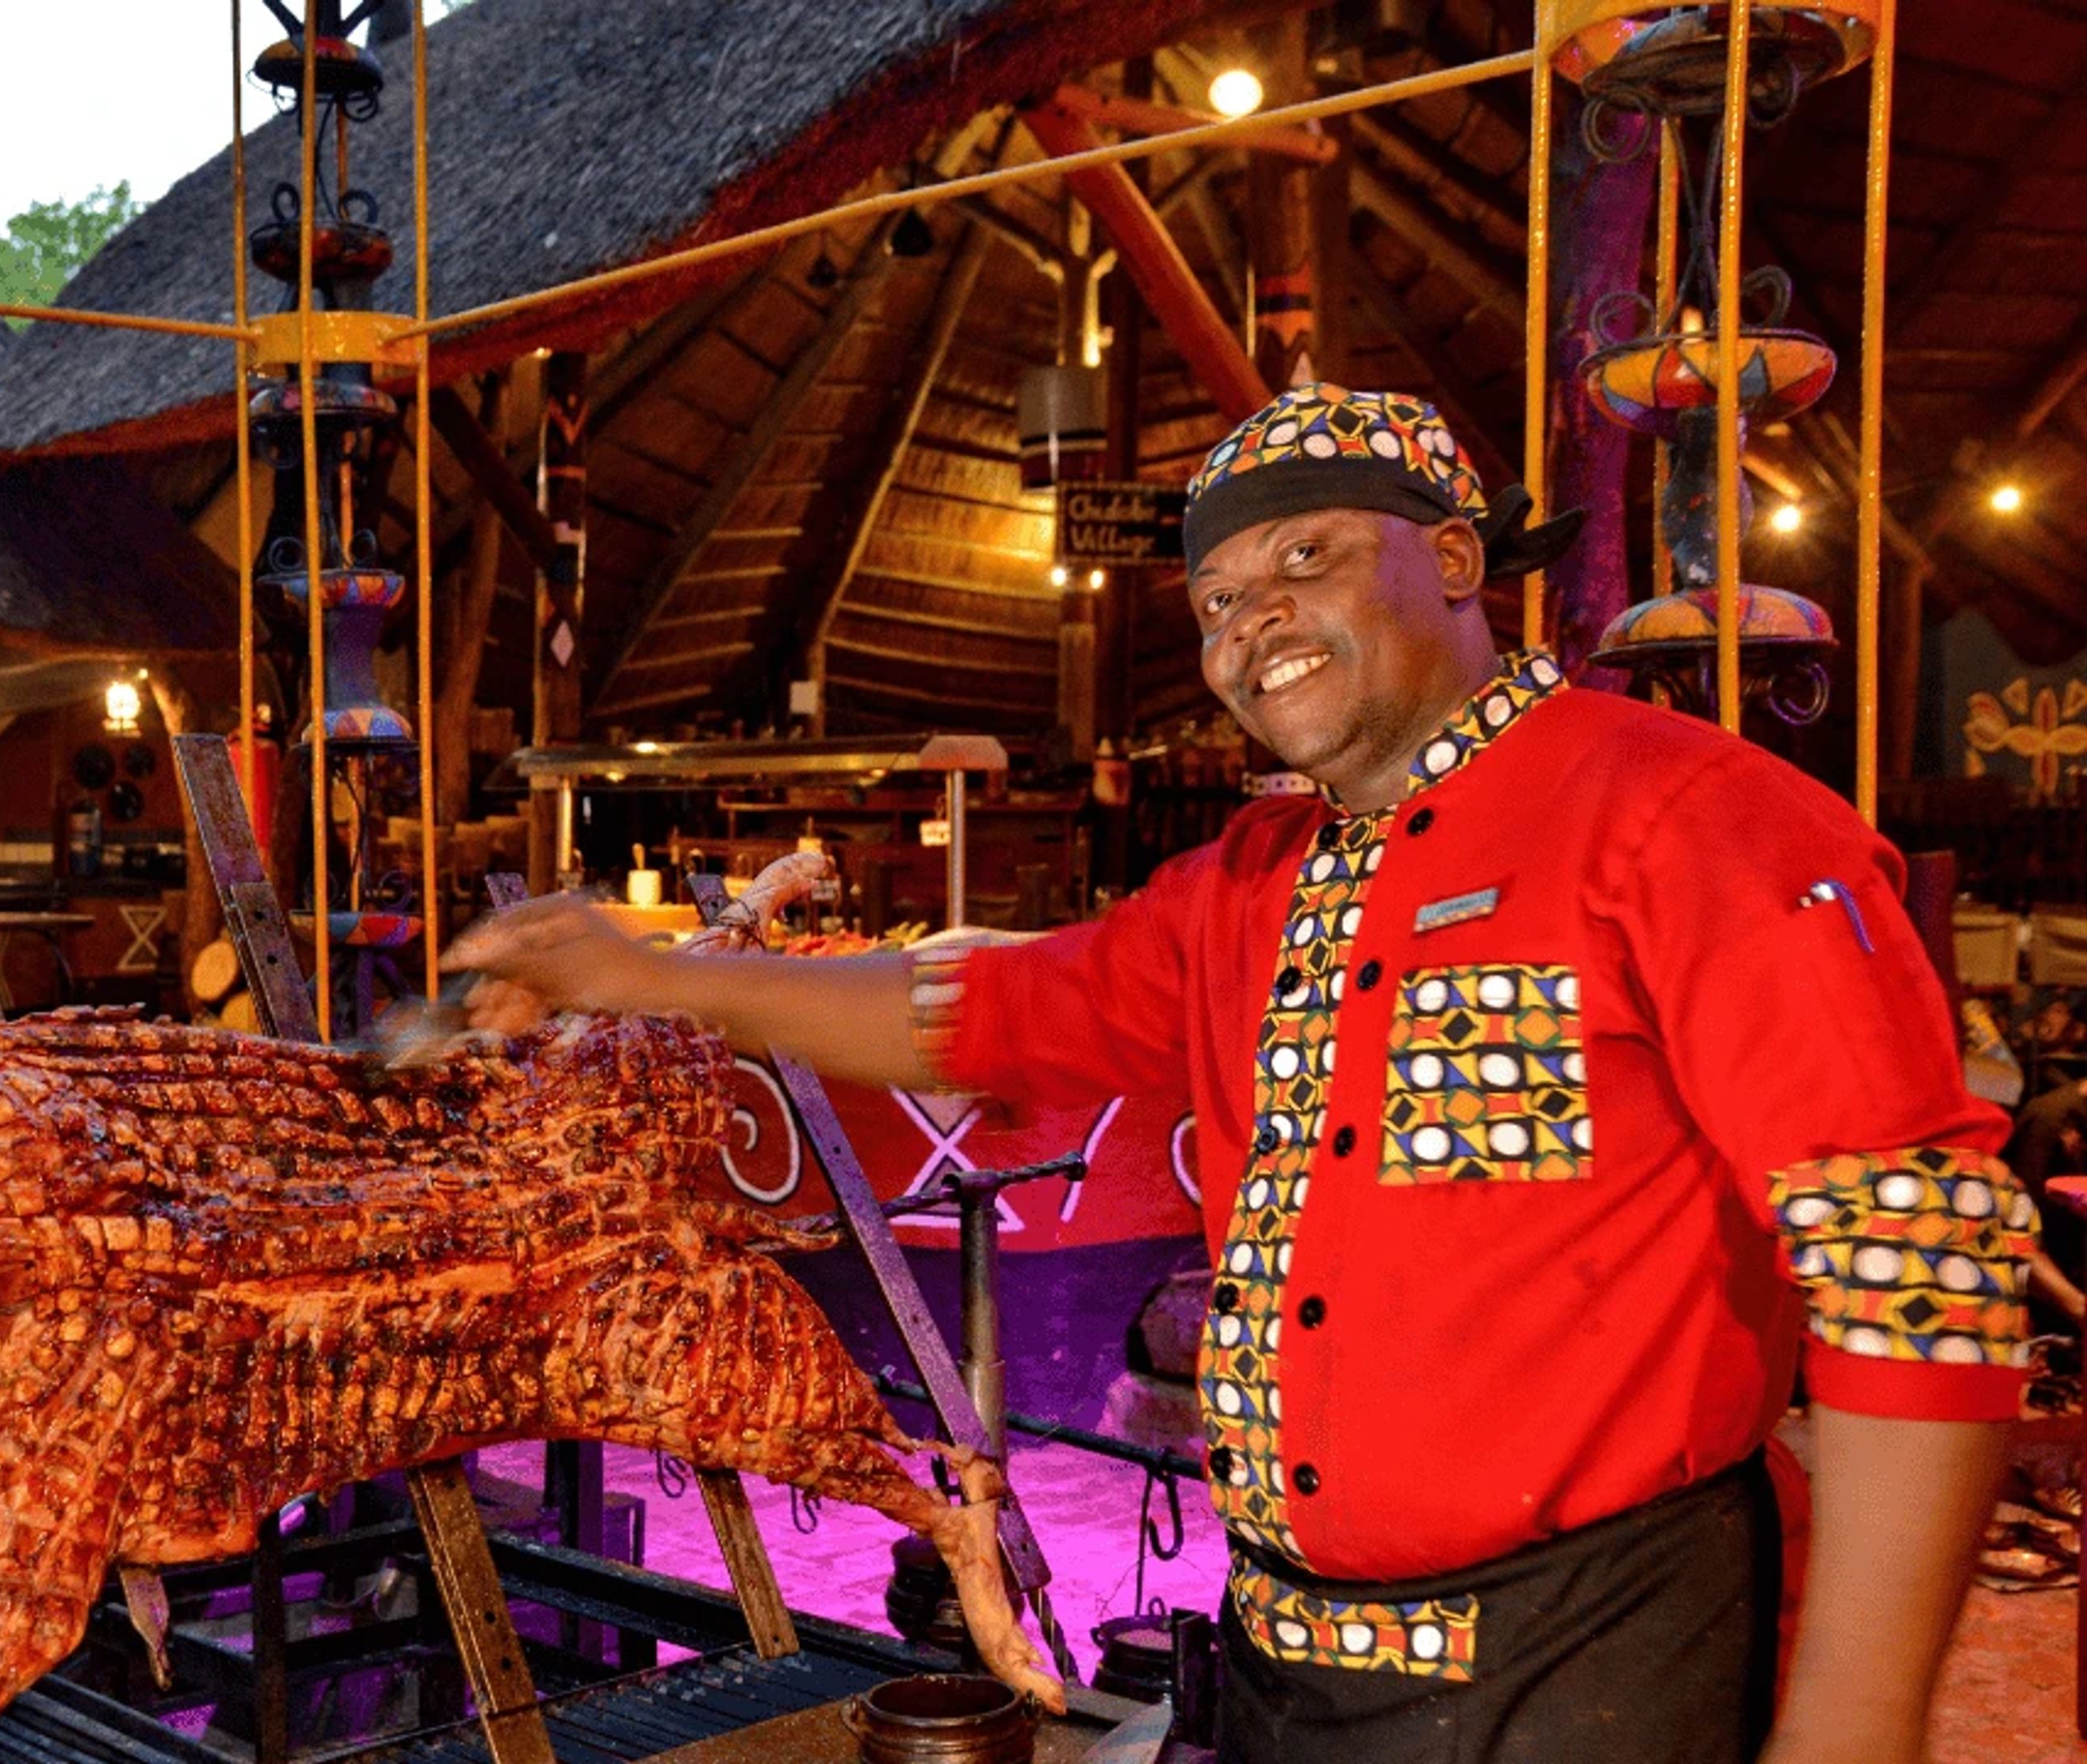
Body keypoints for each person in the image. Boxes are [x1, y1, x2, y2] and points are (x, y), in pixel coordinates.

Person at [444, 385, 2036, 1764]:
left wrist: (1856, 1728)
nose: (1248, 621)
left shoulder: (1689, 818)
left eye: (1303, 559)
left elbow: (1921, 1272)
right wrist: (650, 975)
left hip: (1591, 1665)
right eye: (1213, 600)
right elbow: (979, 1014)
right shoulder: (1244, 889)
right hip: (1283, 1663)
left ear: (1461, 561)